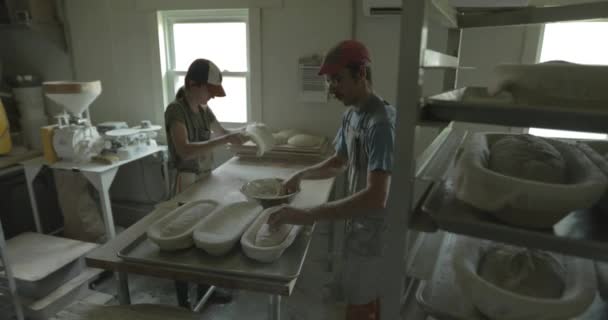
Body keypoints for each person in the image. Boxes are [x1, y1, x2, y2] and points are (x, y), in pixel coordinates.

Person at [268, 40, 395, 320]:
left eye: (337, 79)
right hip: (359, 226)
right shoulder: (352, 115)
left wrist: (307, 215)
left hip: (378, 233)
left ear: (361, 73)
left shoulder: (381, 123)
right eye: (329, 81)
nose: (331, 88)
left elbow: (377, 196)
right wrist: (300, 174)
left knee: (363, 305)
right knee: (361, 297)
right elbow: (339, 162)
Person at [164, 58, 247, 307]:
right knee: (181, 240)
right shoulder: (176, 110)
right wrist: (225, 140)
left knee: (202, 235)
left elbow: (221, 132)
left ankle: (202, 293)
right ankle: (183, 304)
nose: (211, 97)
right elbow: (186, 150)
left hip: (204, 178)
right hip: (185, 180)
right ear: (192, 83)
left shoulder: (203, 110)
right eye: (208, 91)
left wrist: (246, 135)